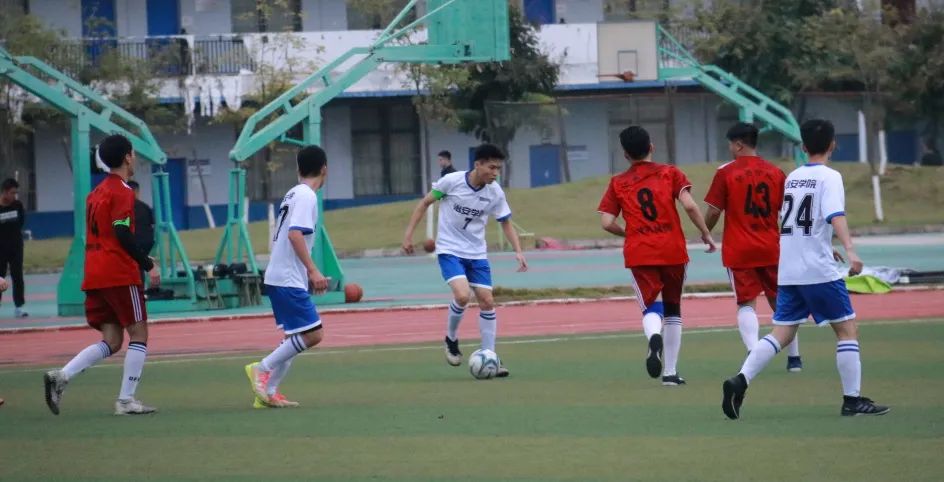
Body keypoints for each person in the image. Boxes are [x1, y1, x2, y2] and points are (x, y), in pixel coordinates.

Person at [721, 119, 890, 419]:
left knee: (782, 333)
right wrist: (850, 249)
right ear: (833, 144)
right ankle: (852, 400)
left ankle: (741, 380)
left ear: (803, 146)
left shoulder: (793, 177)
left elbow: (790, 218)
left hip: (790, 269)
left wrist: (824, 242)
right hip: (818, 270)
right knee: (847, 330)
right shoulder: (830, 177)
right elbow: (835, 215)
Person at [43, 134, 162, 416]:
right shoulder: (122, 191)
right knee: (139, 332)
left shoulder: (95, 193)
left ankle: (62, 376)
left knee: (112, 340)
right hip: (118, 273)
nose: (135, 158)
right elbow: (121, 231)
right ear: (127, 157)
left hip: (95, 273)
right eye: (134, 153)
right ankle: (126, 401)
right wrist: (147, 263)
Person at [598, 126, 716, 386]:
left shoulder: (618, 182)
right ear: (651, 147)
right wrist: (706, 233)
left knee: (651, 306)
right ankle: (670, 373)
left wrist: (628, 232)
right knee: (673, 308)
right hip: (673, 249)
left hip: (640, 251)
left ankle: (654, 336)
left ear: (625, 154)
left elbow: (606, 222)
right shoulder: (670, 173)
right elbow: (689, 205)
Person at [402, 144, 528, 376]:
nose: (495, 173)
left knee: (487, 301)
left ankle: (490, 355)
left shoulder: (495, 192)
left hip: (477, 253)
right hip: (450, 249)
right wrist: (408, 235)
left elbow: (505, 222)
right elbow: (424, 203)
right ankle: (451, 339)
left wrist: (518, 251)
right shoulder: (451, 182)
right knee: (462, 295)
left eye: (498, 169)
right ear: (477, 164)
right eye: (491, 167)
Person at [704, 122, 803, 371]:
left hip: (739, 249)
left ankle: (753, 353)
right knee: (781, 302)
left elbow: (713, 211)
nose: (729, 148)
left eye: (730, 144)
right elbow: (787, 212)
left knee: (746, 303)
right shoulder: (776, 172)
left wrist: (705, 232)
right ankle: (794, 359)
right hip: (771, 246)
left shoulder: (726, 173)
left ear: (738, 144)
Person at [245, 145, 330, 409]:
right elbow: (295, 234)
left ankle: (268, 392)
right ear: (324, 170)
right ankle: (261, 368)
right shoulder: (306, 195)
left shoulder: (293, 193)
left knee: (294, 337)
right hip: (286, 277)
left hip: (281, 275)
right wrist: (313, 270)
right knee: (314, 335)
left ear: (298, 169)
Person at [0, 178, 27, 318]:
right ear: (4, 192)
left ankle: (19, 306)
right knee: (0, 277)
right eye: (12, 193)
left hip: (16, 247)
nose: (14, 196)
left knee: (18, 276)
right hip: (0, 249)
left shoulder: (17, 205)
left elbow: (21, 222)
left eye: (16, 193)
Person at [126, 180, 155, 286]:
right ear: (137, 192)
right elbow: (152, 224)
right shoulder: (145, 207)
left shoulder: (124, 207)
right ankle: (141, 288)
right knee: (140, 265)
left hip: (132, 243)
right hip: (147, 243)